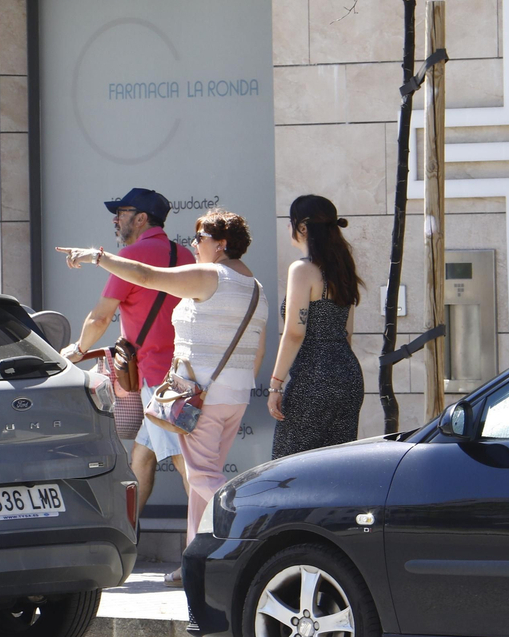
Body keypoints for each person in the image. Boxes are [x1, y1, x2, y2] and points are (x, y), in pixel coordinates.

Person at [60, 209, 267, 586]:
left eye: (200, 238)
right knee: (201, 480)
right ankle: (195, 564)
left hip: (200, 396)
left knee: (203, 477)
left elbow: (146, 276)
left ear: (221, 244)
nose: (194, 244)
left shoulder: (211, 275)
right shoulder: (254, 286)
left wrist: (98, 257)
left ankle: (255, 531)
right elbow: (258, 348)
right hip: (234, 394)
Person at [58, 188, 194, 516]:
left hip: (158, 379)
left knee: (185, 463)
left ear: (141, 218)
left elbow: (101, 316)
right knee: (143, 455)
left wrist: (78, 349)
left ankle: (210, 536)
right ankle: (128, 530)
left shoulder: (131, 257)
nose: (115, 220)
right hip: (185, 372)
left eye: (121, 213)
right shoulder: (185, 255)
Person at [268, 194, 366, 458]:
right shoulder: (343, 269)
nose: (288, 227)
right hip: (348, 375)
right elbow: (347, 333)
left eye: (291, 221)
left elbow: (294, 333)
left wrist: (275, 385)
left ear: (302, 227)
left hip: (313, 376)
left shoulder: (302, 269)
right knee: (335, 464)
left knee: (290, 463)